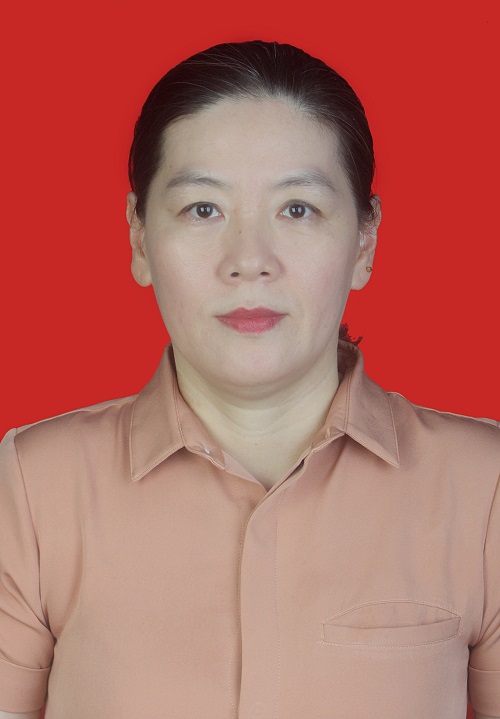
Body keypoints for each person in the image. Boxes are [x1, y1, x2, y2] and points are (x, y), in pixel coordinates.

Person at [0, 40, 498, 719]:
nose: (249, 260)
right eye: (203, 209)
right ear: (140, 238)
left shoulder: (485, 490)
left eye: (297, 209)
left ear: (365, 242)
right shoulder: (31, 490)